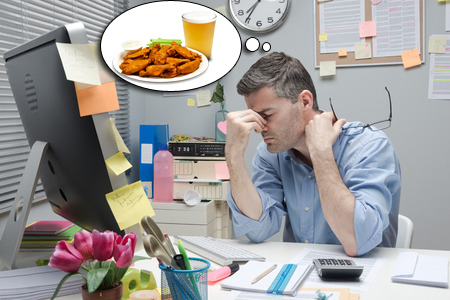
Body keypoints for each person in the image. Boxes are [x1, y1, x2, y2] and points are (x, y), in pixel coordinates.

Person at [225, 52, 401, 256]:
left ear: (305, 102)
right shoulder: (271, 154)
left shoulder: (369, 145)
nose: (259, 127)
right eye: (255, 117)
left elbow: (356, 241)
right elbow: (256, 229)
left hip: (366, 276)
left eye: (267, 115)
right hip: (300, 275)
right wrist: (233, 155)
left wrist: (321, 152)